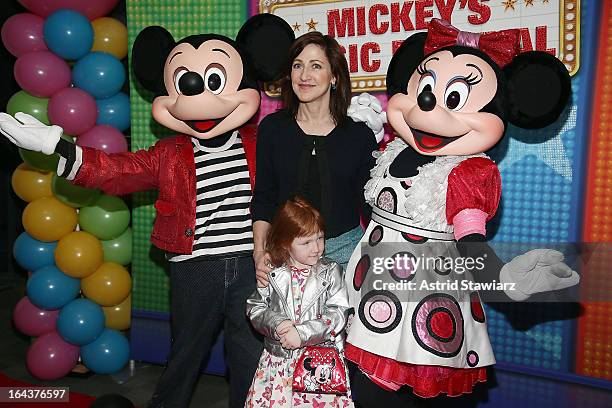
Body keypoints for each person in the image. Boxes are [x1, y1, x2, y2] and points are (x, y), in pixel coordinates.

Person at [0, 15, 296, 408]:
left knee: (250, 354)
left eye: (213, 82)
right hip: (195, 266)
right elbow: (116, 171)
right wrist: (59, 146)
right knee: (187, 352)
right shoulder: (168, 154)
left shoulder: (265, 140)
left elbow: (303, 161)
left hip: (253, 264)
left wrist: (350, 124)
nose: (198, 98)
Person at [251, 32, 379, 285]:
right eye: (297, 65)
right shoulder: (272, 128)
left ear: (334, 77)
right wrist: (259, 251)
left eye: (316, 66)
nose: (304, 75)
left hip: (346, 257)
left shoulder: (359, 135)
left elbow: (371, 206)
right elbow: (264, 196)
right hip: (283, 255)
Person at [245, 196, 353, 408]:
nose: (317, 248)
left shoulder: (331, 272)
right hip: (278, 366)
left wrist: (302, 333)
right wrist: (276, 323)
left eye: (320, 238)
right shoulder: (272, 272)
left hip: (320, 365)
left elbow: (338, 313)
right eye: (306, 242)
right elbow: (255, 306)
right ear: (285, 243)